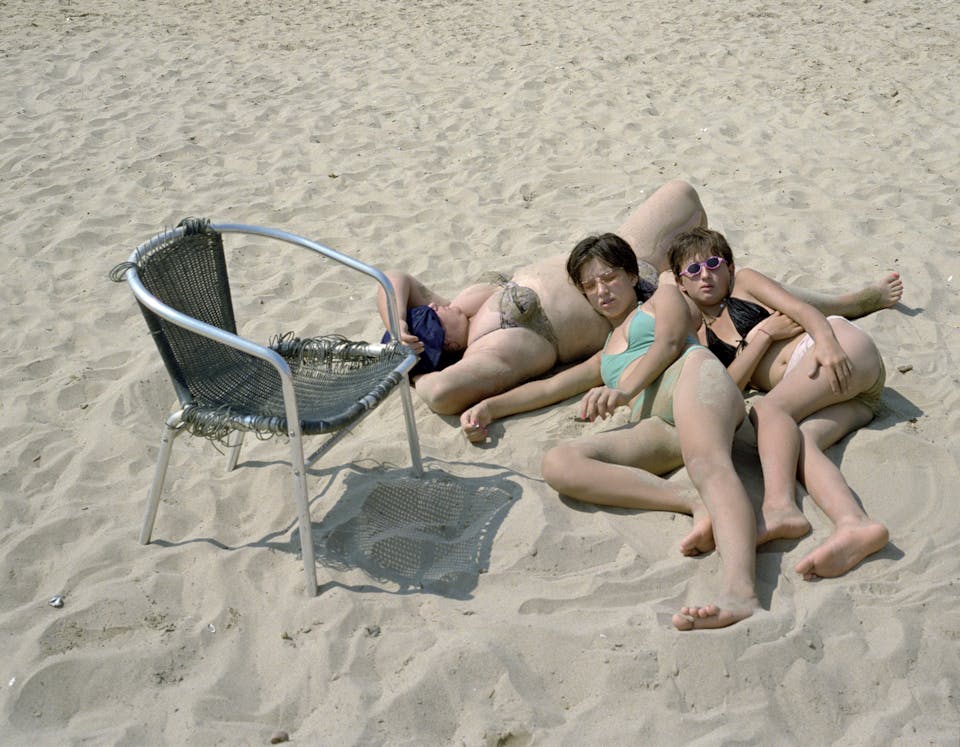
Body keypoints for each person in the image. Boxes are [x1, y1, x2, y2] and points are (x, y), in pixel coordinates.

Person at [376, 180, 903, 415]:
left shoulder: (462, 307)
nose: (436, 306)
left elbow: (392, 277)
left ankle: (712, 273)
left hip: (619, 263)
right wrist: (410, 365)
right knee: (740, 298)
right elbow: (441, 394)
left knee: (682, 195)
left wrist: (400, 322)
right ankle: (849, 302)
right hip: (638, 304)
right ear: (443, 345)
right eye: (431, 318)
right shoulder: (490, 347)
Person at [461, 233, 761, 630]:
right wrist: (490, 407)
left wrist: (624, 390)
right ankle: (692, 502)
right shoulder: (606, 352)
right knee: (560, 463)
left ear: (633, 276)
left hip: (695, 380)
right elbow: (551, 388)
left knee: (708, 464)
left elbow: (670, 343)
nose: (602, 290)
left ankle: (740, 592)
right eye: (590, 285)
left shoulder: (662, 298)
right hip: (661, 424)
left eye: (609, 277)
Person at [668, 227, 891, 580]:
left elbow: (802, 310)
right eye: (693, 270)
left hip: (835, 351)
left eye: (713, 264)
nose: (705, 275)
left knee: (767, 410)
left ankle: (779, 506)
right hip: (852, 394)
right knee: (801, 440)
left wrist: (826, 341)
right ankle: (855, 523)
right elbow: (729, 386)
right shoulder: (699, 337)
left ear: (729, 267)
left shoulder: (745, 284)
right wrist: (764, 335)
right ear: (681, 284)